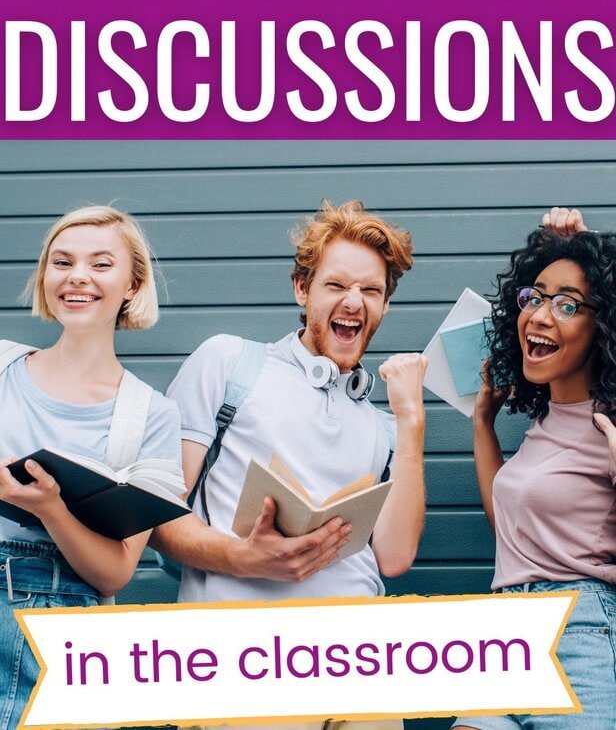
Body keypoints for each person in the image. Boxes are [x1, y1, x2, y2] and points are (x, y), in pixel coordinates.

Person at [152, 200, 427, 730]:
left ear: (385, 305)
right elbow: (157, 517)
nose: (354, 302)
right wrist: (244, 558)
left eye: (371, 291)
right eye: (336, 285)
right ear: (302, 289)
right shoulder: (230, 363)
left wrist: (411, 422)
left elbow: (393, 558)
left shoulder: (382, 424)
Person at [0, 206, 183, 730]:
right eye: (62, 262)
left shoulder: (150, 415)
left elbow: (117, 571)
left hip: (59, 635)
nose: (77, 275)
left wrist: (52, 509)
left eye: (100, 264)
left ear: (132, 285)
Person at [453, 207, 616, 730]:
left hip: (576, 634)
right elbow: (514, 538)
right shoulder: (543, 425)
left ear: (604, 327)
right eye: (536, 297)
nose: (540, 315)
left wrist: (594, 251)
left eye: (568, 305)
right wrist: (483, 423)